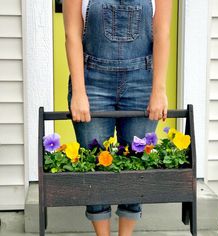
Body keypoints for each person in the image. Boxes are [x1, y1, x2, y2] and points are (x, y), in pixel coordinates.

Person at [62, 0, 172, 235]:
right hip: (92, 83)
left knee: (135, 163)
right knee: (94, 163)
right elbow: (72, 36)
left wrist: (159, 90)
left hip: (141, 82)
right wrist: (79, 92)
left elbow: (162, 36)